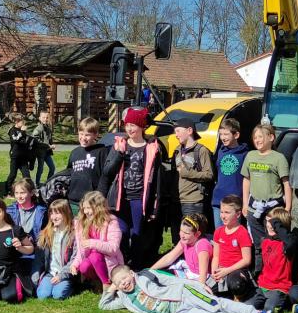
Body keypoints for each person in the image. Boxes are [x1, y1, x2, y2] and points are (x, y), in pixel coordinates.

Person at [100, 265, 275, 313]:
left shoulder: (146, 275)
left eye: (124, 278)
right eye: (119, 283)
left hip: (184, 294)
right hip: (179, 310)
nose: (124, 283)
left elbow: (172, 280)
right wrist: (112, 288)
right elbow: (103, 305)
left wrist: (198, 285)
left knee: (218, 305)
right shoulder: (125, 300)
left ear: (132, 273)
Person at [103, 106, 163, 268]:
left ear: (142, 126)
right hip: (120, 198)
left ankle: (136, 267)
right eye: (127, 125)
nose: (129, 129)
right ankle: (121, 265)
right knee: (120, 232)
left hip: (139, 198)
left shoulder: (152, 148)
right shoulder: (119, 145)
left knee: (136, 234)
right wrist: (118, 155)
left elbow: (157, 179)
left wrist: (155, 205)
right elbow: (107, 172)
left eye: (133, 125)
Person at [241, 123, 291, 272]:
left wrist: (288, 208)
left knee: (274, 243)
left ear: (271, 137)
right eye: (255, 137)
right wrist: (245, 204)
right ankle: (259, 275)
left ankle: (276, 274)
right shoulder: (250, 155)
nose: (257, 140)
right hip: (254, 209)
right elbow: (246, 180)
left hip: (273, 210)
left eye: (260, 137)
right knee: (258, 245)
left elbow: (286, 184)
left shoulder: (279, 158)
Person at [246, 206, 298, 313]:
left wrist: (275, 223)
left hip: (279, 289)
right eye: (268, 221)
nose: (270, 225)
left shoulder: (287, 245)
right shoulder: (265, 241)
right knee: (248, 307)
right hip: (263, 286)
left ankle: (284, 302)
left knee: (269, 309)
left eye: (274, 223)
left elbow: (290, 242)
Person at [169, 117, 213, 244]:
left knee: (192, 237)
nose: (176, 135)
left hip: (193, 202)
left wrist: (187, 173)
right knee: (177, 237)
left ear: (189, 130)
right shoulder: (177, 150)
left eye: (178, 131)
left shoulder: (201, 151)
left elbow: (209, 174)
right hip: (176, 201)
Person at [69, 190, 123, 293]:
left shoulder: (111, 221)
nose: (86, 212)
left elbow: (114, 248)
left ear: (98, 207)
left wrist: (92, 243)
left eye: (89, 208)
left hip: (109, 261)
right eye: (84, 208)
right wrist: (75, 264)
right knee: (84, 267)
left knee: (95, 256)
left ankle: (107, 284)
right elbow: (81, 250)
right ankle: (97, 281)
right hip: (92, 262)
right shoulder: (81, 223)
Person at [210, 194, 254, 301]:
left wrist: (227, 271)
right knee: (207, 291)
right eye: (221, 212)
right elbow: (216, 256)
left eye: (227, 212)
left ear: (238, 214)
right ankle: (226, 296)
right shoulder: (218, 231)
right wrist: (214, 272)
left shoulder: (242, 232)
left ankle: (239, 297)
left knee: (236, 285)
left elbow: (247, 260)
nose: (223, 216)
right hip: (221, 270)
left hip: (236, 270)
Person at [149, 212, 212, 286]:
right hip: (189, 272)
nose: (182, 235)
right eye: (181, 230)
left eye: (186, 233)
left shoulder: (202, 245)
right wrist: (150, 271)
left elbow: (203, 274)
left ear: (197, 234)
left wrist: (200, 288)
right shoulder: (185, 241)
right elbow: (169, 258)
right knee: (157, 277)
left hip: (199, 278)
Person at [35, 199, 78, 300]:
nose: (54, 217)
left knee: (58, 294)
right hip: (50, 273)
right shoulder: (46, 233)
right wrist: (36, 277)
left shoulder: (73, 234)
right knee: (42, 295)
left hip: (65, 273)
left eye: (57, 213)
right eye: (52, 213)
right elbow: (39, 257)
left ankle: (72, 286)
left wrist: (61, 276)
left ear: (66, 213)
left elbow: (74, 259)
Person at [65, 117, 108, 215]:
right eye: (81, 134)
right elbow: (68, 174)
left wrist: (100, 197)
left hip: (92, 202)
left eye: (87, 135)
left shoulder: (102, 152)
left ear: (96, 135)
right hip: (73, 201)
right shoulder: (75, 152)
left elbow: (105, 177)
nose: (83, 138)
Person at [212, 118, 249, 228]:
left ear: (236, 135)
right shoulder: (220, 151)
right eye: (221, 134)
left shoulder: (245, 154)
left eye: (226, 134)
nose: (222, 137)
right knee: (219, 233)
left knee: (233, 233)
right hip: (218, 200)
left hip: (235, 201)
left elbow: (247, 179)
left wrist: (245, 202)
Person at [5, 114, 36, 194]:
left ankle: (30, 191)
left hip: (23, 157)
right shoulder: (12, 130)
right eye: (22, 122)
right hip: (15, 156)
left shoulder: (22, 130)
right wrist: (22, 131)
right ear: (17, 121)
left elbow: (24, 141)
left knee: (27, 175)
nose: (24, 123)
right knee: (13, 174)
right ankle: (7, 191)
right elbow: (15, 140)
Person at [32, 109, 55, 186]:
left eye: (47, 117)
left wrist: (51, 145)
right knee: (40, 169)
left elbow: (49, 138)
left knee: (52, 168)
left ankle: (48, 183)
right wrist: (48, 145)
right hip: (40, 153)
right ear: (40, 118)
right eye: (43, 117)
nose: (45, 119)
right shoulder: (38, 128)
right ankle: (37, 184)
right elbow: (35, 139)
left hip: (47, 152)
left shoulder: (48, 127)